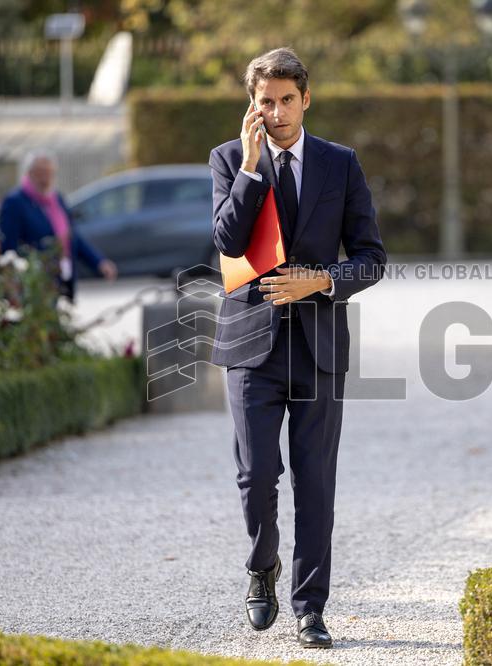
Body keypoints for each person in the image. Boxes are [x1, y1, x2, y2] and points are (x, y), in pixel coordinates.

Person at [209, 47, 386, 649]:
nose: (278, 111)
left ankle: (311, 607)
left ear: (306, 99)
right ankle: (262, 567)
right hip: (250, 344)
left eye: (287, 100)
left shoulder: (341, 164)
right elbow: (229, 240)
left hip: (318, 347)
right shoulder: (230, 159)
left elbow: (372, 258)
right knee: (257, 473)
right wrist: (253, 170)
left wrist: (323, 280)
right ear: (251, 106)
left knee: (316, 481)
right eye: (266, 102)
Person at [0, 151, 117, 302]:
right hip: (35, 283)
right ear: (29, 173)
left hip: (64, 278)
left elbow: (72, 237)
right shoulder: (15, 202)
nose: (45, 178)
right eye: (40, 173)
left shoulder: (56, 199)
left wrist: (99, 262)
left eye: (49, 173)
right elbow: (8, 248)